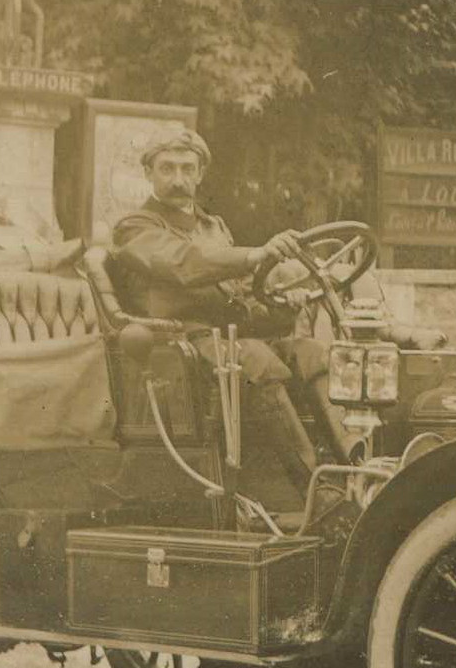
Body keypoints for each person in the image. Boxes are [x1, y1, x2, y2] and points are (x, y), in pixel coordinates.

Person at [111, 128, 343, 490]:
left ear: (200, 174)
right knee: (254, 359)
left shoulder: (213, 226)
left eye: (187, 169)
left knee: (313, 354)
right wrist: (254, 255)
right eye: (167, 169)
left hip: (225, 341)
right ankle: (317, 492)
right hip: (177, 345)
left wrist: (283, 304)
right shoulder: (135, 227)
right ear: (148, 173)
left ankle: (356, 469)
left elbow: (240, 298)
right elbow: (183, 263)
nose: (178, 179)